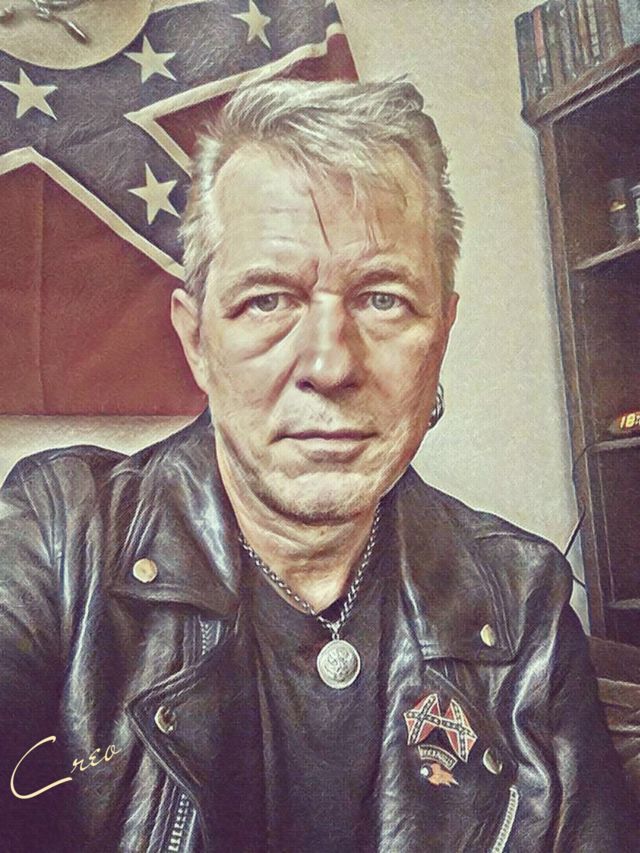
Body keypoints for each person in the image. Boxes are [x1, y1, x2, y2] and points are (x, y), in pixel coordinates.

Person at [0, 79, 636, 853]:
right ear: (197, 342)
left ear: (440, 339)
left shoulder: (525, 600)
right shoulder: (58, 538)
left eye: (383, 299)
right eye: (268, 300)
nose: (330, 364)